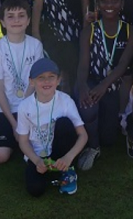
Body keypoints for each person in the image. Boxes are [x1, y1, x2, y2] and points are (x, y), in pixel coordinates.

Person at [76, 0, 133, 170]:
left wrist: (103, 86)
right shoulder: (89, 30)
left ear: (122, 4)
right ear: (97, 4)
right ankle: (93, 147)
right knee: (87, 107)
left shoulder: (131, 31)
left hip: (111, 85)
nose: (109, 5)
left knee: (109, 139)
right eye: (104, 1)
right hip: (91, 81)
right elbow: (83, 65)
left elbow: (122, 65)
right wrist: (82, 86)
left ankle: (101, 127)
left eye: (114, 1)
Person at [0, 0, 45, 163]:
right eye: (10, 16)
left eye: (21, 15)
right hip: (3, 107)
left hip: (28, 104)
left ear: (28, 20)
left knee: (40, 147)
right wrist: (14, 124)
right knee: (0, 157)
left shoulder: (35, 45)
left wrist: (23, 116)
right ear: (3, 22)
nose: (16, 20)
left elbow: (36, 81)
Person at [17, 58, 87, 196]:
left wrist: (68, 157)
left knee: (64, 123)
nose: (47, 81)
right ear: (31, 81)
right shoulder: (24, 107)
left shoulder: (66, 101)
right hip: (38, 156)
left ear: (58, 80)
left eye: (51, 77)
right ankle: (45, 171)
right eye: (41, 78)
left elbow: (83, 135)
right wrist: (36, 160)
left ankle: (68, 170)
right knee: (35, 190)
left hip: (61, 153)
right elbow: (23, 141)